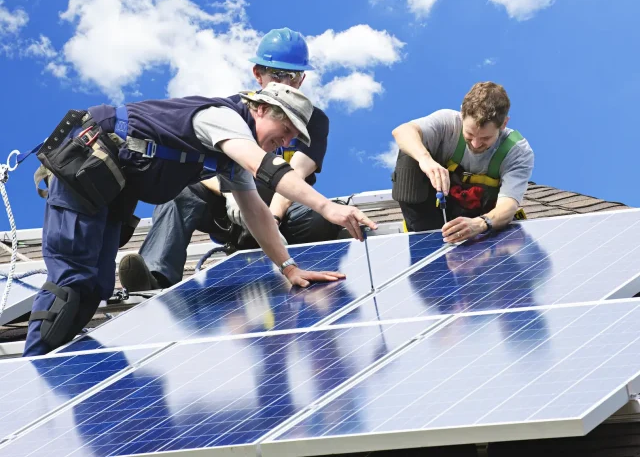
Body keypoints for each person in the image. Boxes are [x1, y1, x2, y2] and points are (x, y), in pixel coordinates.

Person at [23, 80, 375, 357]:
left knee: (97, 286)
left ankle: (53, 368)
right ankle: (33, 371)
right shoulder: (222, 119)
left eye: (290, 141)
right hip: (86, 164)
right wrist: (328, 207)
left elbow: (255, 211)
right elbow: (263, 167)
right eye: (283, 133)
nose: (282, 144)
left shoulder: (230, 158)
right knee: (73, 281)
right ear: (263, 109)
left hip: (109, 188)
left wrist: (289, 268)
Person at [119, 28, 339, 292]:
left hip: (279, 211)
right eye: (277, 74)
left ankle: (304, 265)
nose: (285, 82)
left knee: (321, 215)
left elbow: (296, 173)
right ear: (258, 75)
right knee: (180, 193)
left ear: (301, 80)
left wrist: (273, 217)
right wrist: (229, 194)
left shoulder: (311, 121)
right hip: (231, 208)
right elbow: (204, 164)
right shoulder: (233, 111)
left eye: (292, 76)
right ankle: (155, 277)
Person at [391, 81, 534, 243]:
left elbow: (508, 204)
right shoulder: (447, 123)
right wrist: (425, 160)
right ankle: (424, 237)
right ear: (462, 114)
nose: (475, 144)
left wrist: (481, 223)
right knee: (409, 153)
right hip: (433, 220)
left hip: (482, 225)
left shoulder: (516, 151)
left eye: (485, 138)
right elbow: (402, 131)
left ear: (504, 124)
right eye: (469, 134)